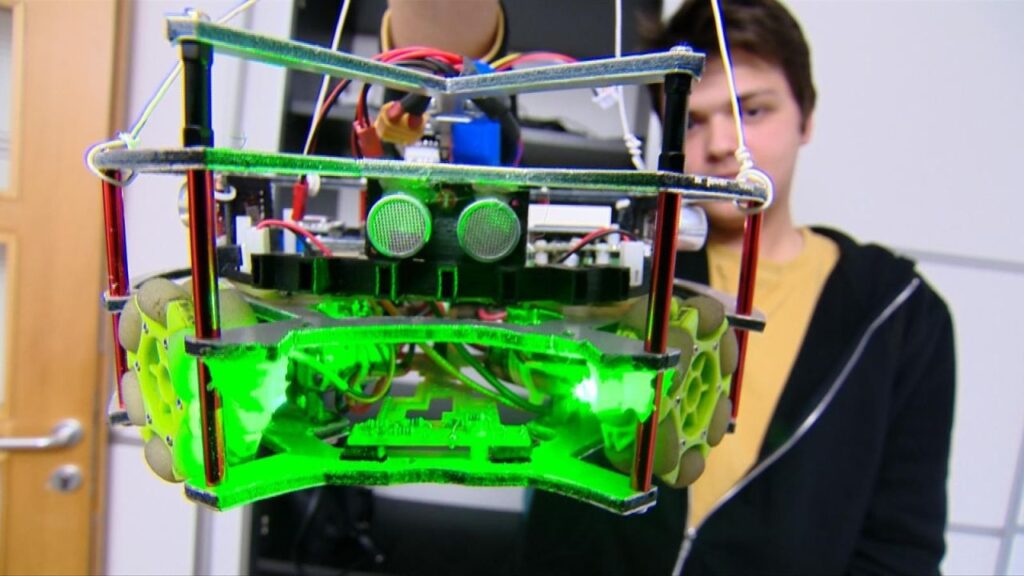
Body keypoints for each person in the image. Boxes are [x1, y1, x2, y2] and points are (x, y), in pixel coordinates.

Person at [383, 1, 956, 574]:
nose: (725, 144)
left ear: (806, 117)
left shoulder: (900, 316)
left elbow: (899, 549)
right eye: (695, 121)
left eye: (752, 111)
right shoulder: (616, 263)